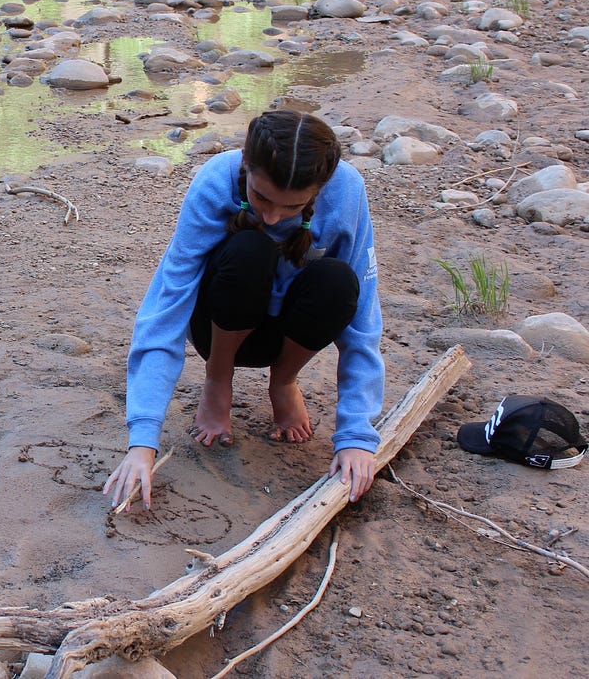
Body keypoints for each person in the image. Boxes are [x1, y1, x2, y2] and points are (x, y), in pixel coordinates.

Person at [103, 110, 385, 513]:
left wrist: (357, 435)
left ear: (319, 190)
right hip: (217, 324)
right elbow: (165, 309)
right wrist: (142, 442)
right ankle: (218, 380)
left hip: (289, 334)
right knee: (251, 249)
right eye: (261, 197)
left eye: (293, 207)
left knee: (339, 281)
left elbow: (362, 322)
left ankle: (284, 381)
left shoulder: (347, 192)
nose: (272, 217)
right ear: (246, 166)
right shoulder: (216, 179)